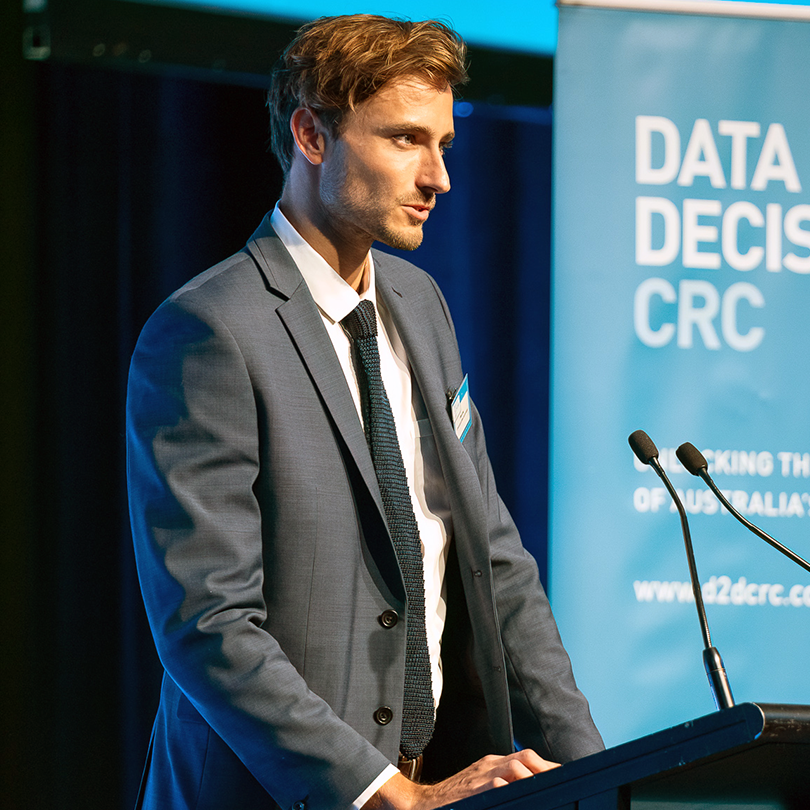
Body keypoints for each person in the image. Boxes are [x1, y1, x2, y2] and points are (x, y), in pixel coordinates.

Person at [125, 14, 604, 810]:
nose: (438, 178)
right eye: (406, 140)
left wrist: (595, 777)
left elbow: (496, 563)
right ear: (312, 135)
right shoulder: (210, 331)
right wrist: (384, 793)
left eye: (443, 145)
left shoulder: (421, 305)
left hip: (441, 780)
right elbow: (207, 623)